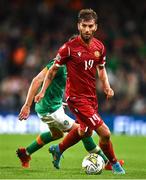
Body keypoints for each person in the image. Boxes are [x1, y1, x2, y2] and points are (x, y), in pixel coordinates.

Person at [35, 9, 125, 174]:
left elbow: (101, 69)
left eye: (90, 26)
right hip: (76, 98)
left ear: (96, 27)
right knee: (105, 133)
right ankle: (113, 164)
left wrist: (106, 86)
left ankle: (58, 149)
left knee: (85, 131)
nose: (87, 29)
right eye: (84, 25)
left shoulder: (100, 47)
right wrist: (42, 91)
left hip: (91, 97)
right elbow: (53, 71)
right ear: (79, 26)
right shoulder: (68, 48)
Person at [16, 58, 110, 169]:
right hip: (49, 109)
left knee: (57, 134)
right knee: (83, 131)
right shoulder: (59, 65)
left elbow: (57, 85)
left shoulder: (74, 66)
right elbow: (37, 80)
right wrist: (27, 105)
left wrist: (59, 101)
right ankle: (106, 162)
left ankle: (26, 153)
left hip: (54, 106)